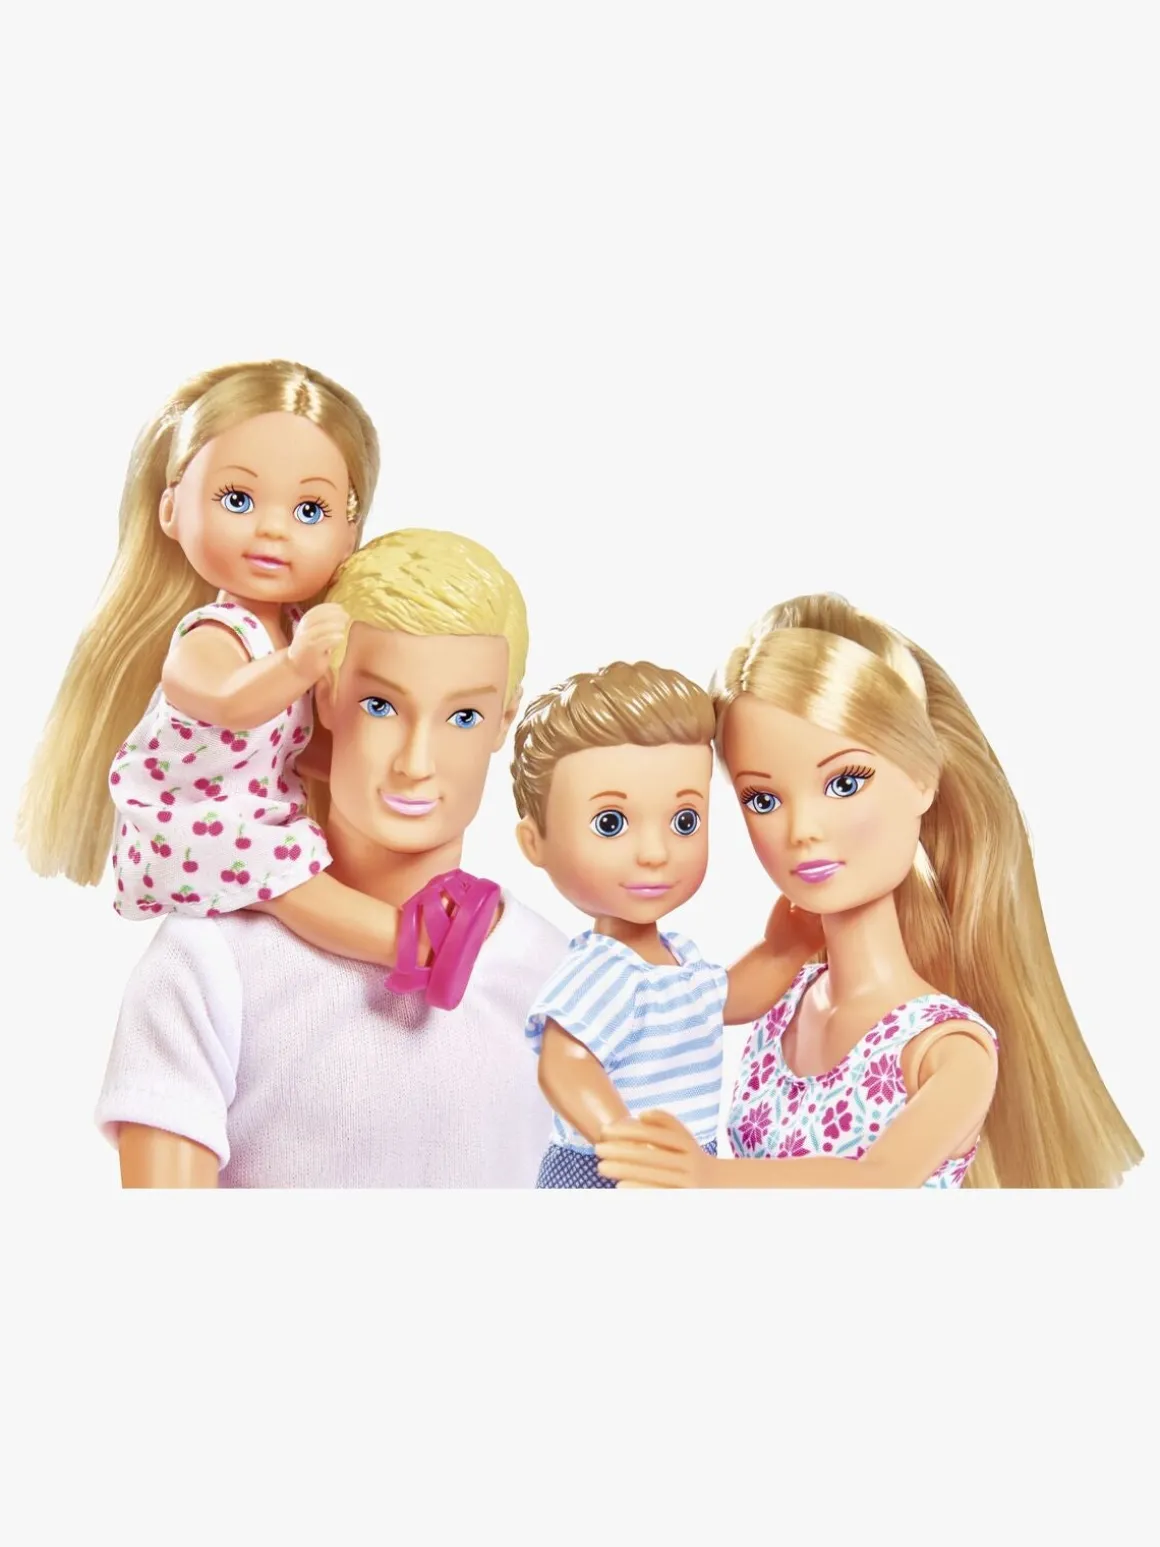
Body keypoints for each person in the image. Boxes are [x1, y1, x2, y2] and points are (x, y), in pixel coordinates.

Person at [595, 594, 1143, 1188]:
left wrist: (709, 1178)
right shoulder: (784, 1004)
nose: (802, 830)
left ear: (922, 779)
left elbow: (877, 1182)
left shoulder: (951, 1050)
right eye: (763, 799)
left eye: (845, 783)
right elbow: (672, 1008)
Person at [94, 529, 568, 1187]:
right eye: (381, 706)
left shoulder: (559, 972)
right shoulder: (207, 964)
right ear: (326, 695)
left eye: (462, 716)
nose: (415, 763)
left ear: (504, 720)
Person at [17, 361, 495, 987]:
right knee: (289, 879)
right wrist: (295, 667)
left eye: (310, 509)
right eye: (237, 500)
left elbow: (298, 741)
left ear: (348, 534)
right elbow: (227, 703)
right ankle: (415, 949)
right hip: (194, 824)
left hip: (254, 810)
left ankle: (417, 921)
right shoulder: (212, 635)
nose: (272, 528)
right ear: (171, 510)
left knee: (302, 854)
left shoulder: (297, 626)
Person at [511, 660, 822, 1188]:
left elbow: (726, 1000)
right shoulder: (601, 970)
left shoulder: (678, 958)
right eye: (611, 824)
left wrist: (784, 949)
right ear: (534, 843)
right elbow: (566, 1063)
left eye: (684, 821)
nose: (655, 853)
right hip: (607, 1171)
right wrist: (623, 1138)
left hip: (681, 1162)